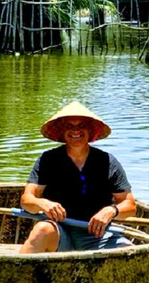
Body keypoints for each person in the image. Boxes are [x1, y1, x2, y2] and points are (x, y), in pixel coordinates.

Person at [19, 101, 137, 254]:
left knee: (129, 252)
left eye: (81, 126)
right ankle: (14, 275)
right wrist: (41, 203)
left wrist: (111, 210)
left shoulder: (107, 161)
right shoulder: (48, 159)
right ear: (62, 131)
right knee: (42, 229)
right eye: (69, 126)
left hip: (97, 234)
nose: (76, 131)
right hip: (59, 231)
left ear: (90, 131)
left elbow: (130, 206)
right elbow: (26, 201)